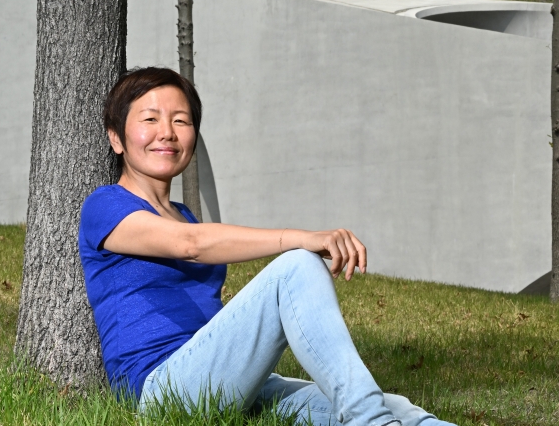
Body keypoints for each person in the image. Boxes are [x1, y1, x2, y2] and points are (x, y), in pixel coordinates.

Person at [78, 67, 456, 426]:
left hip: (225, 381)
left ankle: (377, 415)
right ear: (116, 138)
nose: (168, 132)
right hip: (161, 393)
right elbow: (190, 245)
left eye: (181, 120)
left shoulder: (184, 214)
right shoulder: (106, 204)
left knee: (398, 407)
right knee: (297, 266)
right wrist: (301, 238)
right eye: (150, 119)